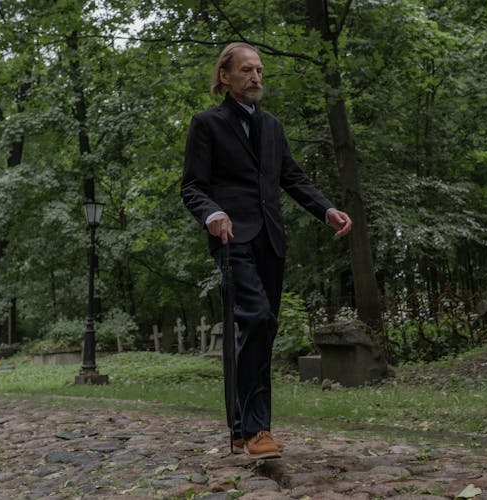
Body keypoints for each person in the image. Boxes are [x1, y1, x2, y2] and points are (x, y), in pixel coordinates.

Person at [181, 42, 352, 459]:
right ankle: (259, 430)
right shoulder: (206, 125)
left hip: (271, 240)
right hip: (231, 239)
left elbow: (291, 177)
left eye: (259, 70)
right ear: (225, 76)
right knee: (254, 318)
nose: (256, 77)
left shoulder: (273, 126)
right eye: (246, 70)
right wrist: (213, 213)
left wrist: (326, 209)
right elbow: (192, 187)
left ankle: (241, 425)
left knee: (263, 329)